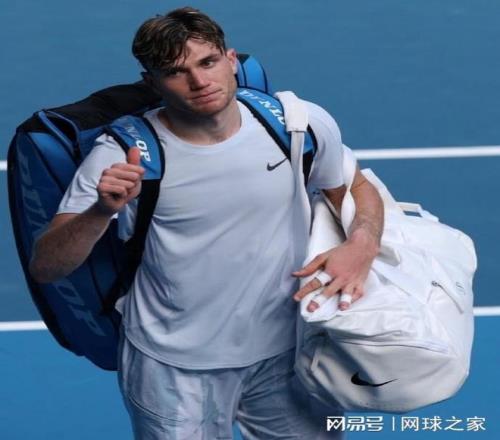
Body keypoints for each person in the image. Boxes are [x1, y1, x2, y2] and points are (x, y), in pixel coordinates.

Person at [29, 7, 384, 439]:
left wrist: (362, 245)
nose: (199, 82)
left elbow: (355, 188)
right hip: (174, 369)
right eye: (176, 72)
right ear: (152, 83)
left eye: (208, 62)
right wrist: (100, 211)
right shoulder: (122, 155)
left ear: (230, 60)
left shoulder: (294, 124)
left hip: (288, 354)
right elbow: (47, 266)